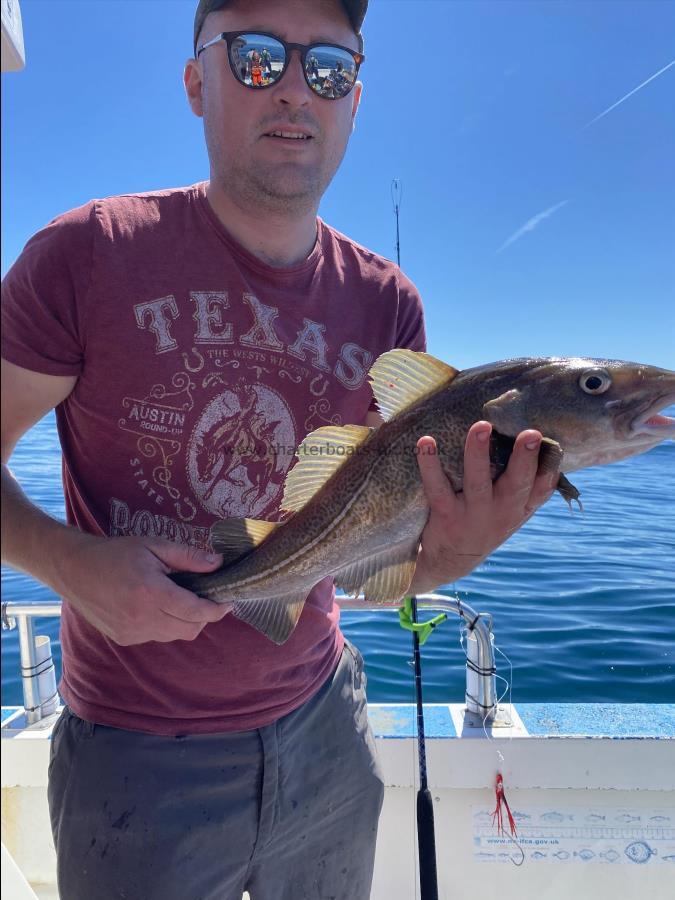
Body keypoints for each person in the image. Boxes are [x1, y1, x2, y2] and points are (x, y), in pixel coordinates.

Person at [0, 1, 558, 898]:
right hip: (133, 755)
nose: (296, 88)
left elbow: (379, 563)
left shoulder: (390, 306)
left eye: (329, 69)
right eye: (257, 58)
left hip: (326, 729)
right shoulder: (84, 256)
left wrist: (447, 556)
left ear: (354, 100)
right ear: (195, 81)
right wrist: (68, 563)